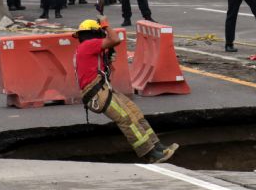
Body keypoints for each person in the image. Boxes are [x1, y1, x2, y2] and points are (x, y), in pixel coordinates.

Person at [73, 17, 178, 163]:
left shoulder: (88, 48)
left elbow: (107, 69)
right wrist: (105, 25)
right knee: (126, 119)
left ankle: (157, 146)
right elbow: (115, 39)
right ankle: (150, 154)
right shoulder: (89, 44)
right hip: (97, 92)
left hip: (102, 89)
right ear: (95, 33)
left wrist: (108, 58)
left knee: (134, 113)